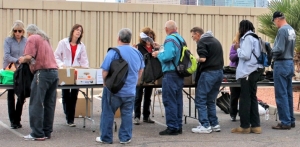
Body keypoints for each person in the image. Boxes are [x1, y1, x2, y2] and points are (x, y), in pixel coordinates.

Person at [96, 28, 144, 144]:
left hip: (114, 90)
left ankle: (106, 137)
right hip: (130, 91)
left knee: (108, 113)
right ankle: (125, 137)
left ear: (118, 38)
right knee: (127, 115)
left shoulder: (113, 52)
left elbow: (105, 71)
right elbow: (141, 69)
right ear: (129, 39)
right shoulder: (137, 52)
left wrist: (104, 82)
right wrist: (134, 81)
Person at [19, 24, 58, 141]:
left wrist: (21, 59)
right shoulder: (45, 39)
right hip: (54, 73)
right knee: (49, 104)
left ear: (29, 33)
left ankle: (37, 133)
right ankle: (46, 131)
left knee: (36, 103)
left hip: (42, 73)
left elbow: (28, 56)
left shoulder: (32, 38)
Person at [152, 20, 184, 135]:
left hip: (170, 74)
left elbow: (168, 56)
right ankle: (178, 125)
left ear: (166, 29)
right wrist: (161, 47)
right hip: (179, 73)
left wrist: (158, 54)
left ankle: (172, 127)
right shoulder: (180, 39)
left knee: (169, 101)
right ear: (176, 28)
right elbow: (174, 52)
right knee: (178, 101)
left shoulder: (169, 39)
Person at [231, 20, 264, 134]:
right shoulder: (255, 37)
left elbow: (245, 55)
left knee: (245, 98)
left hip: (248, 72)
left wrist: (238, 49)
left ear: (242, 28)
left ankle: (244, 126)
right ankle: (256, 126)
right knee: (252, 97)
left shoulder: (247, 38)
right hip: (255, 70)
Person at [190, 27, 224, 134]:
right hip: (219, 73)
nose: (193, 38)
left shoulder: (202, 42)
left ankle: (205, 125)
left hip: (208, 73)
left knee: (200, 99)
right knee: (211, 100)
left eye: (193, 36)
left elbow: (203, 59)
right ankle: (214, 124)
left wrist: (193, 59)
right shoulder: (215, 41)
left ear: (198, 34)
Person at [54, 24, 89, 127]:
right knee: (65, 94)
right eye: (77, 30)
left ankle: (70, 119)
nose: (78, 32)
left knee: (74, 95)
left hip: (76, 72)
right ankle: (68, 115)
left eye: (80, 31)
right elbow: (56, 56)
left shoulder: (81, 46)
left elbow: (84, 60)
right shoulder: (63, 43)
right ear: (73, 31)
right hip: (65, 72)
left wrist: (85, 70)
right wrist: (61, 65)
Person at [271, 11, 296, 130]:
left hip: (281, 63)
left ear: (277, 19)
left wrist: (270, 51)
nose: (275, 24)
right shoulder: (291, 29)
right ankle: (291, 120)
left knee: (281, 94)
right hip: (290, 62)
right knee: (288, 93)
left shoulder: (282, 30)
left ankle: (285, 121)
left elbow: (279, 49)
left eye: (274, 22)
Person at [3, 20, 27, 129]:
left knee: (21, 95)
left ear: (23, 31)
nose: (17, 33)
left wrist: (24, 60)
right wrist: (18, 60)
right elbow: (6, 56)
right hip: (10, 70)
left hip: (22, 71)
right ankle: (13, 121)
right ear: (13, 31)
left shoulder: (26, 41)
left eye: (20, 31)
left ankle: (18, 119)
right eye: (15, 31)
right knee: (11, 94)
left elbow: (28, 54)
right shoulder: (8, 40)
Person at [134, 27, 157, 125]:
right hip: (141, 73)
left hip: (150, 73)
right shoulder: (138, 46)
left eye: (151, 36)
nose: (149, 38)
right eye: (147, 36)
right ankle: (137, 116)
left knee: (148, 96)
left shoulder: (154, 47)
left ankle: (146, 116)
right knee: (138, 95)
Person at [229, 32, 241, 121]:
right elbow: (231, 58)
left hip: (244, 72)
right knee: (234, 95)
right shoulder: (234, 46)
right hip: (234, 71)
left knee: (244, 95)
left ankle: (242, 113)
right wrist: (238, 51)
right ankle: (233, 114)